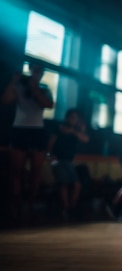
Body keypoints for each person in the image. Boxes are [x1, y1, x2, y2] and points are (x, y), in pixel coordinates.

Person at [2, 62, 54, 221]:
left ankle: (30, 204)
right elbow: (5, 100)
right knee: (16, 171)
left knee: (35, 171)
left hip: (37, 131)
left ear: (42, 73)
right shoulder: (18, 86)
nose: (36, 72)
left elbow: (49, 105)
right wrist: (13, 82)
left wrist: (35, 88)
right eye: (34, 69)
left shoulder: (45, 89)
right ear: (30, 70)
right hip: (20, 129)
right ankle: (15, 204)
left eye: (39, 71)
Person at [47, 109, 89, 220]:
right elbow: (50, 146)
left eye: (76, 118)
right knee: (63, 184)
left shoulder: (76, 131)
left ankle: (71, 207)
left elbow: (85, 139)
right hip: (58, 161)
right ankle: (65, 209)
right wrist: (51, 159)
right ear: (67, 118)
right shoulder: (58, 128)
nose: (74, 120)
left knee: (77, 185)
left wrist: (77, 131)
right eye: (72, 117)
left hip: (69, 162)